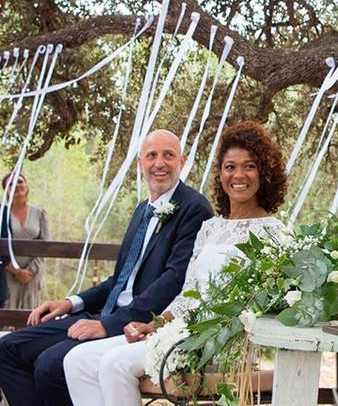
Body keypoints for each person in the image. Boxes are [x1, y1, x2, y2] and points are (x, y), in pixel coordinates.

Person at [63, 121, 288, 406]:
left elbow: (263, 306)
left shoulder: (274, 233)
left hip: (221, 342)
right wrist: (154, 324)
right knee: (77, 361)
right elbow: (188, 293)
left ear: (264, 173)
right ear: (220, 174)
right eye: (230, 166)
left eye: (250, 166)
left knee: (114, 364)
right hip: (178, 330)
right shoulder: (210, 228)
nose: (238, 175)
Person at [0, 129, 212, 406]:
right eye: (151, 155)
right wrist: (70, 302)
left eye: (168, 155)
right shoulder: (142, 210)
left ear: (182, 162)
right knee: (7, 349)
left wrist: (106, 325)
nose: (159, 163)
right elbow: (119, 280)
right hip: (102, 313)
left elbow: (174, 281)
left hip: (139, 325)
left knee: (50, 364)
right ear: (140, 164)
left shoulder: (193, 208)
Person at [1, 172, 51, 310]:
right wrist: (16, 271)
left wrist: (30, 271)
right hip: (6, 272)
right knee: (6, 312)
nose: (16, 185)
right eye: (11, 184)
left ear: (26, 186)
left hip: (32, 274)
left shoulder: (39, 213)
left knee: (29, 316)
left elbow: (46, 245)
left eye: (20, 181)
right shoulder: (1, 214)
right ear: (5, 189)